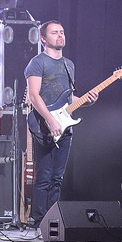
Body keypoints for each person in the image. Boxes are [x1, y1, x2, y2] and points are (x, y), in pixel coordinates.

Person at [24, 21, 97, 228]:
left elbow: (67, 98)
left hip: (64, 126)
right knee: (44, 176)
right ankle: (39, 221)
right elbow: (34, 96)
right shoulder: (37, 63)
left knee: (58, 178)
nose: (60, 35)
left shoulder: (69, 65)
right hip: (44, 126)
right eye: (55, 32)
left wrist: (87, 101)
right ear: (43, 39)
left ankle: (52, 221)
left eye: (62, 32)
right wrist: (50, 119)